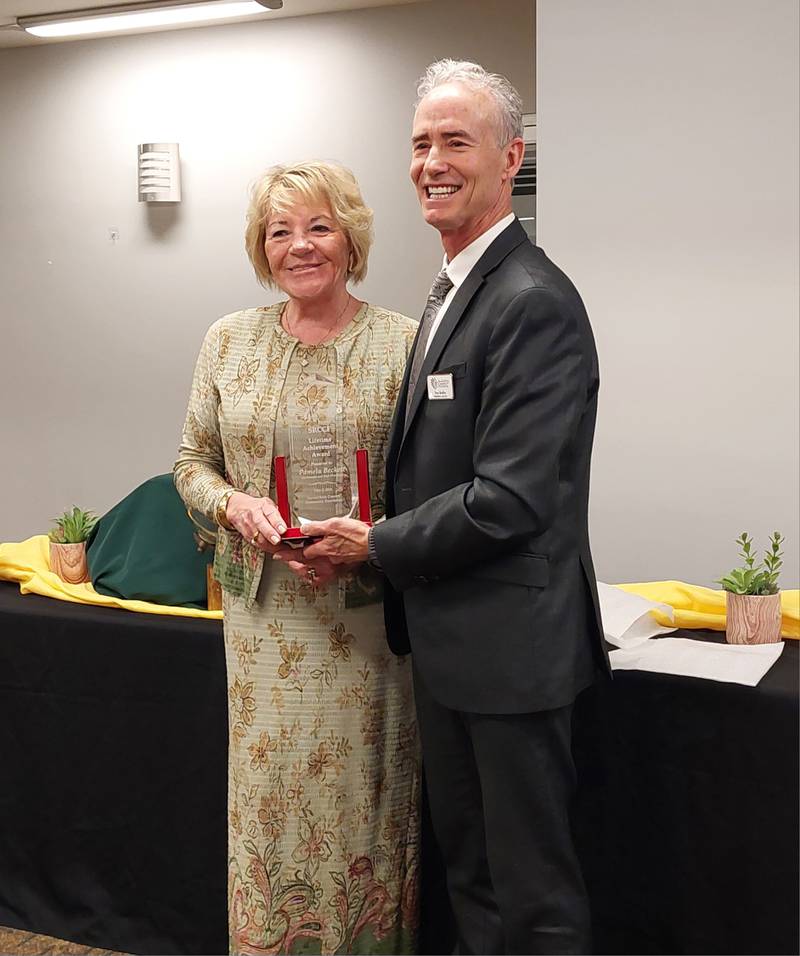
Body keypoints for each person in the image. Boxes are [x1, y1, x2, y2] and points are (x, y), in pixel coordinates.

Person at [300, 61, 609, 954]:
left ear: (510, 156)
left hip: (513, 659)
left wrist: (377, 545)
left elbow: (509, 497)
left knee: (533, 897)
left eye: (456, 141)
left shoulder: (531, 300)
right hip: (452, 648)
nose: (431, 161)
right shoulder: (451, 292)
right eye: (420, 143)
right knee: (473, 874)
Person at [174, 160, 420, 955]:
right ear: (261, 249)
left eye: (318, 226)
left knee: (362, 800)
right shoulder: (227, 341)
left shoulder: (404, 345)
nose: (300, 246)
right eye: (280, 232)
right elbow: (191, 462)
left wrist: (367, 546)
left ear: (350, 239)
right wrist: (231, 505)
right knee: (270, 797)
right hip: (264, 624)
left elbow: (431, 488)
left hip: (368, 627)